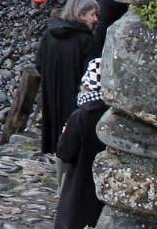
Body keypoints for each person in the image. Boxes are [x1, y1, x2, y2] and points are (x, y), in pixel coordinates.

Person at [36, 0, 101, 153]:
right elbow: (91, 76)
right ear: (81, 15)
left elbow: (39, 64)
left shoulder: (49, 35)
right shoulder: (86, 41)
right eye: (93, 14)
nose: (96, 19)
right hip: (74, 101)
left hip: (51, 95)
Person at [54, 58, 108, 229]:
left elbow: (65, 153)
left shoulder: (80, 116)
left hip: (80, 187)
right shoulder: (115, 115)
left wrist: (64, 135)